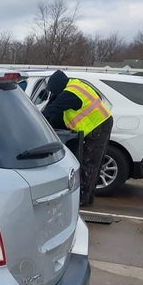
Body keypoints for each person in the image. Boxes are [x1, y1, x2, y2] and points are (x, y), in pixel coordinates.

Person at [41, 70, 113, 207]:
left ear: (58, 86)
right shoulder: (73, 85)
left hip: (97, 125)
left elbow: (51, 110)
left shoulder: (69, 94)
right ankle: (88, 196)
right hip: (102, 122)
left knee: (89, 162)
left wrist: (36, 123)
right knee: (93, 162)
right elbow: (53, 104)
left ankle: (82, 200)